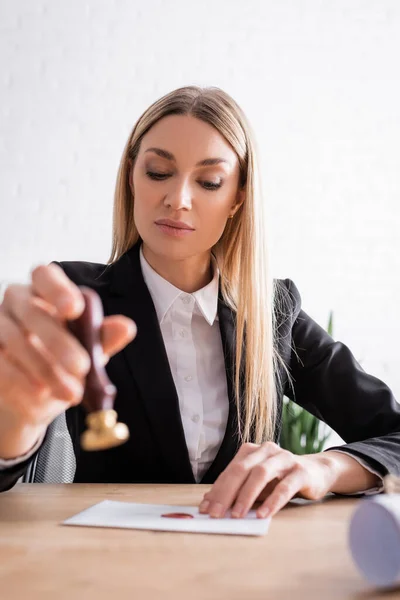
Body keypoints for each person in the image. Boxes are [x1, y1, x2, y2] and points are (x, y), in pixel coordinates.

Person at [0, 86, 399, 520]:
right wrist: (13, 421)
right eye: (157, 172)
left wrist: (322, 467)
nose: (179, 199)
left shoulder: (272, 311)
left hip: (241, 570)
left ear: (237, 200)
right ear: (132, 177)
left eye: (209, 182)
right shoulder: (76, 299)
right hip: (109, 565)